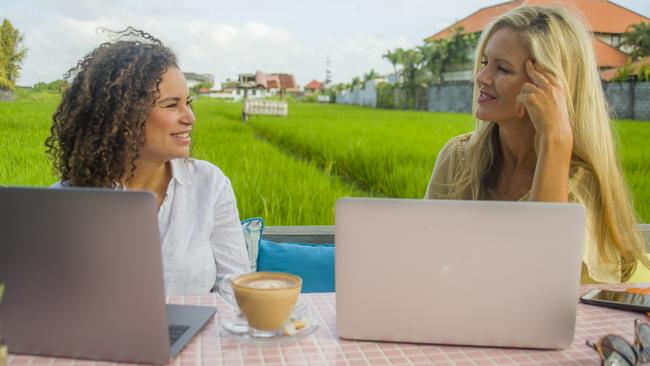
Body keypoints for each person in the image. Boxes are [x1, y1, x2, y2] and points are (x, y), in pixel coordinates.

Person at [425, 5, 648, 283]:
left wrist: (555, 137)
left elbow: (540, 283)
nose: (481, 78)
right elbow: (426, 258)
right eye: (485, 63)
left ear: (547, 88)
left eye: (503, 68)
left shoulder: (580, 182)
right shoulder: (457, 157)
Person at [45, 28, 250, 295]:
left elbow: (235, 285)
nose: (190, 117)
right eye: (170, 105)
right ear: (124, 117)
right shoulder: (63, 203)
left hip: (198, 335)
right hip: (101, 337)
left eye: (188, 103)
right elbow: (48, 301)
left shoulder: (209, 184)